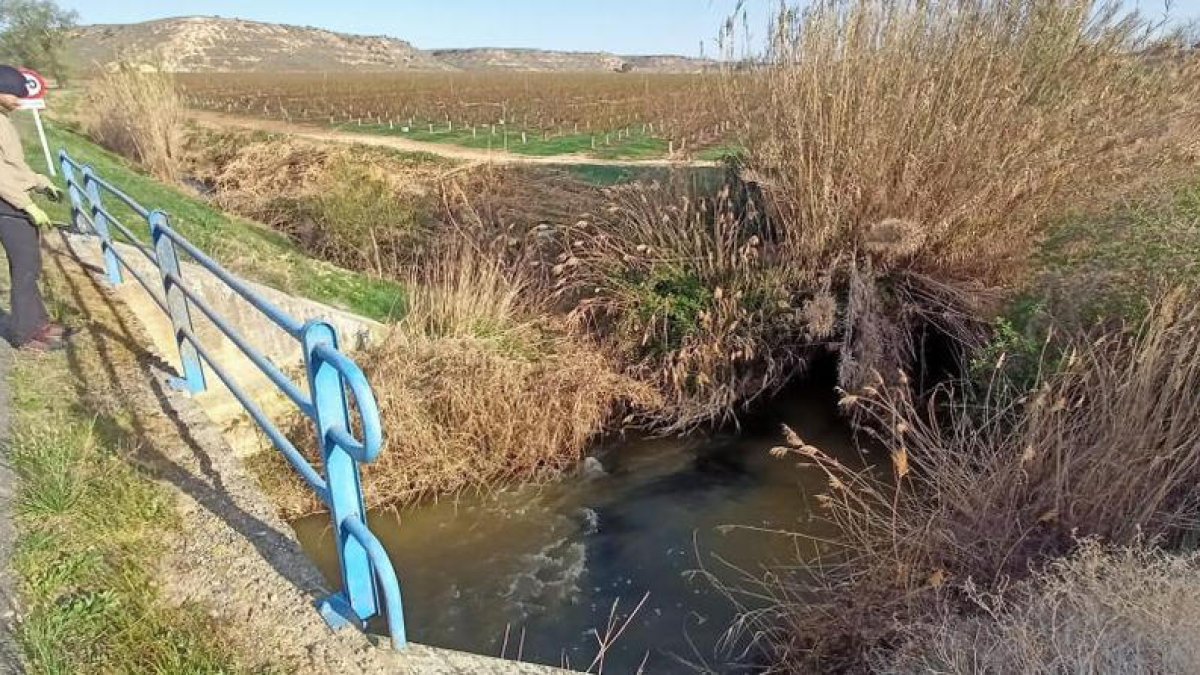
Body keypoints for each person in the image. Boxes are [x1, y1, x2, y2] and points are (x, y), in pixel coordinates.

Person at [0, 65, 65, 350]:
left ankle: (38, 322)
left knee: (31, 265)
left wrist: (40, 182)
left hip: (14, 201)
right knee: (25, 267)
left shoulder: (3, 120)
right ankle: (25, 334)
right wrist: (27, 204)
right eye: (14, 95)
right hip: (7, 204)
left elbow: (14, 166)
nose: (19, 100)